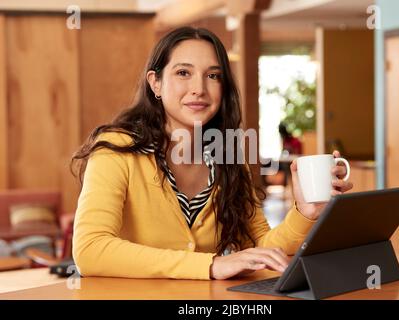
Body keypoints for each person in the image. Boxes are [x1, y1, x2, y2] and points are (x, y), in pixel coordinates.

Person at [71, 27, 353, 280]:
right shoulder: (117, 149)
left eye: (213, 76)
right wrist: (210, 265)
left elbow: (261, 247)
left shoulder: (228, 155)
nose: (199, 89)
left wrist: (305, 212)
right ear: (155, 83)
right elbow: (89, 248)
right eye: (183, 73)